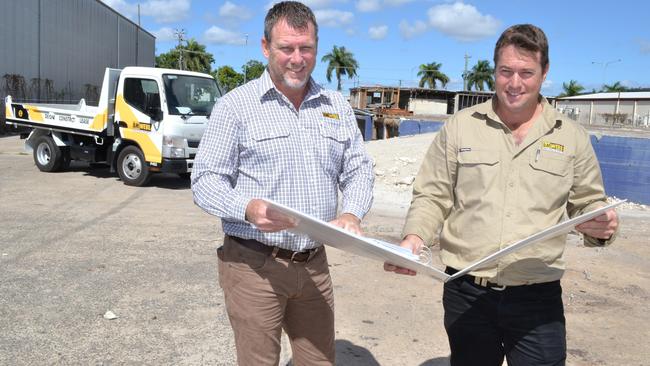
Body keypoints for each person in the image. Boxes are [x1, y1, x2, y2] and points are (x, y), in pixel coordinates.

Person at [385, 24, 619, 366]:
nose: (514, 83)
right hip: (466, 291)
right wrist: (413, 238)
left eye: (526, 73)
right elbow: (433, 194)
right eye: (505, 71)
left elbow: (589, 202)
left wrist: (602, 225)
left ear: (545, 72)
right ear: (494, 70)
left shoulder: (571, 137)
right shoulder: (461, 126)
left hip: (537, 295)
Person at [191, 2, 374, 365]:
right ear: (265, 47)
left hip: (314, 265)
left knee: (319, 360)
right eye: (286, 48)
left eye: (306, 48)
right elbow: (205, 180)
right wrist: (247, 208)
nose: (297, 59)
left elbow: (359, 168)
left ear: (316, 48)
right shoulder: (236, 106)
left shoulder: (335, 105)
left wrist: (352, 212)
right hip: (254, 264)